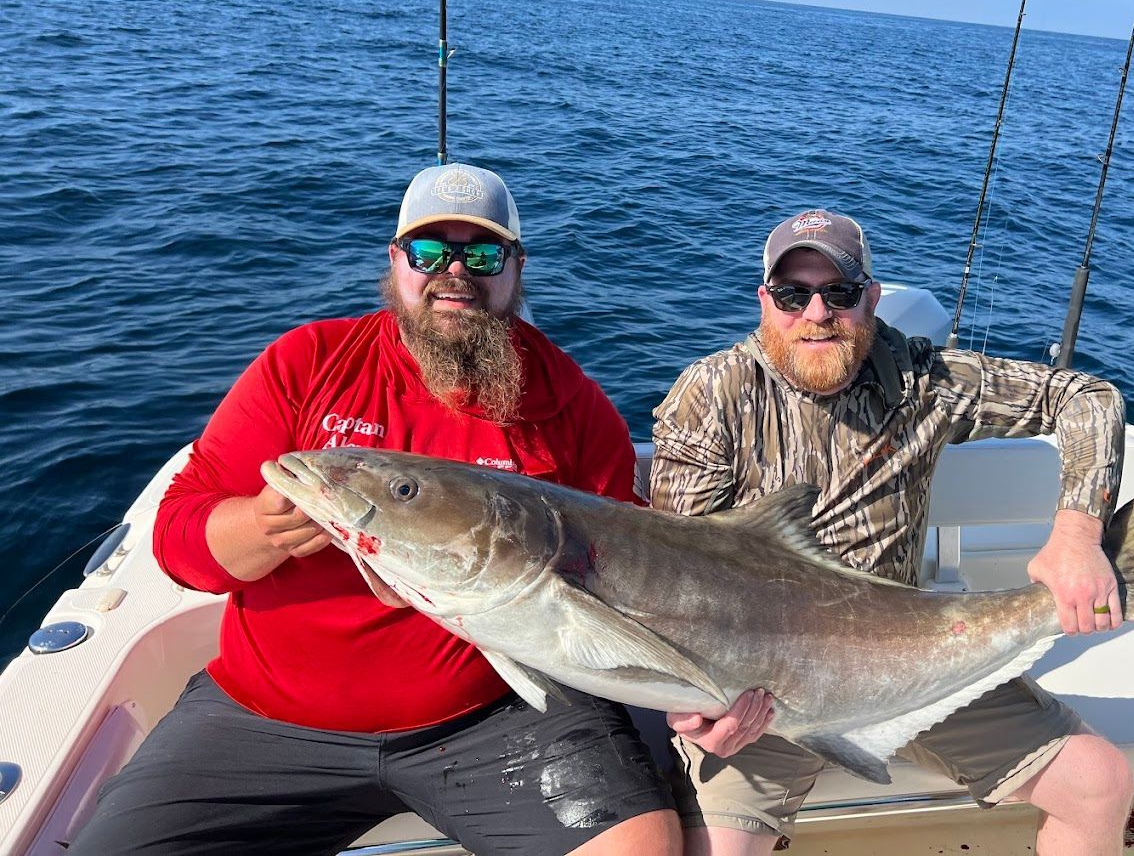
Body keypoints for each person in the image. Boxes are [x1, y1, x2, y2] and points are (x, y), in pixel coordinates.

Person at [70, 163, 681, 856]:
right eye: (429, 252)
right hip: (263, 718)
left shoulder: (568, 400)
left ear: (516, 269)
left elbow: (631, 573)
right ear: (395, 263)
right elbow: (179, 541)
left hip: (500, 716)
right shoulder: (305, 362)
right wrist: (261, 529)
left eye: (482, 254)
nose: (456, 272)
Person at [652, 209, 1134, 856]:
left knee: (1099, 783)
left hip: (909, 663)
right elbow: (676, 580)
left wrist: (1077, 533)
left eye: (840, 293)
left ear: (871, 299)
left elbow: (1089, 397)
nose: (816, 312)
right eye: (794, 294)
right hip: (756, 687)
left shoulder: (925, 382)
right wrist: (691, 705)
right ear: (766, 301)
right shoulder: (713, 394)